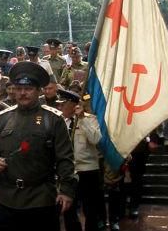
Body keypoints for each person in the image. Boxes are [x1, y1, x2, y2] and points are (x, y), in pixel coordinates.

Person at [0, 61, 76, 231]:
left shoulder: (53, 120)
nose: (23, 93)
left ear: (38, 91)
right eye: (19, 89)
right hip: (5, 198)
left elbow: (65, 158)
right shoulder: (4, 118)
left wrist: (66, 190)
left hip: (40, 199)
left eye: (28, 89)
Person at [57, 89, 102, 231]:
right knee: (68, 210)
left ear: (72, 104)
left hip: (88, 171)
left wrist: (82, 118)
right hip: (68, 172)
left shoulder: (89, 119)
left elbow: (96, 139)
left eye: (62, 104)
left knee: (91, 210)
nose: (59, 107)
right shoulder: (59, 122)